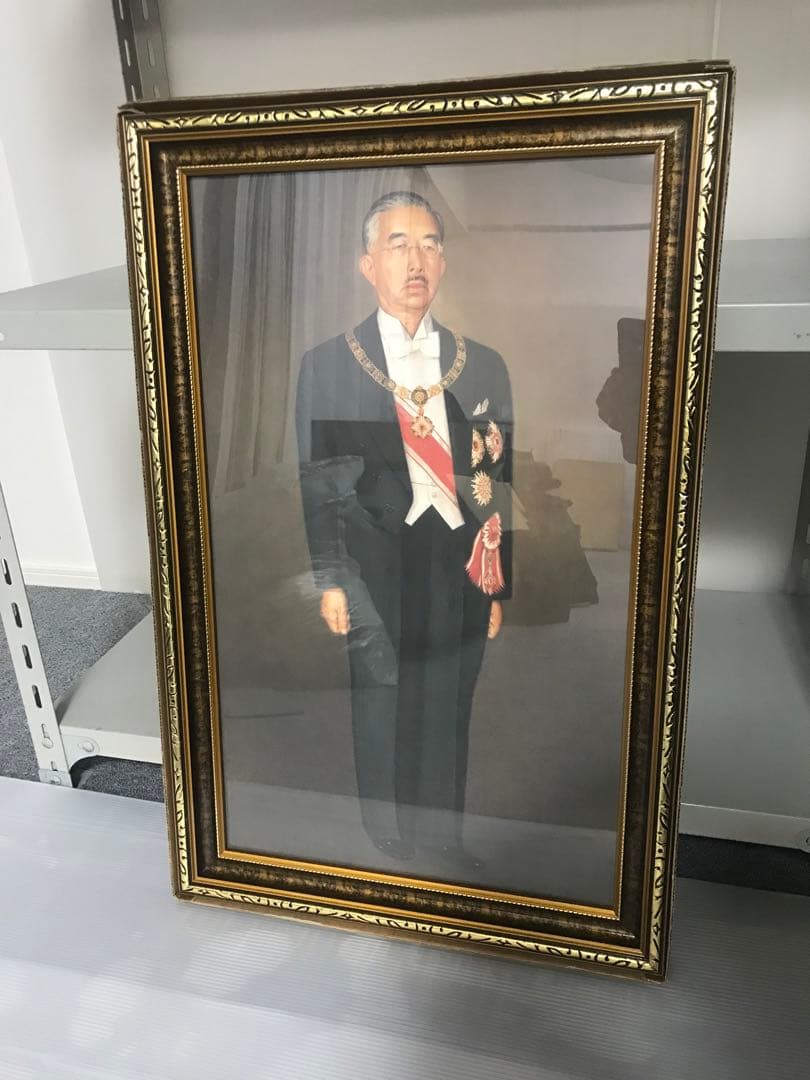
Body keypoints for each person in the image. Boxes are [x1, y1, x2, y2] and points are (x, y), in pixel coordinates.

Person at [296, 191, 513, 870]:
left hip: (457, 559)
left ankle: (440, 829)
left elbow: (496, 479)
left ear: (443, 262)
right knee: (382, 693)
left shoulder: (483, 364)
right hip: (374, 560)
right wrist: (332, 579)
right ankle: (387, 830)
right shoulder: (329, 365)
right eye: (398, 245)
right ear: (368, 264)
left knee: (450, 695)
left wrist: (496, 582)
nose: (415, 260)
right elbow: (320, 482)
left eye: (429, 244)